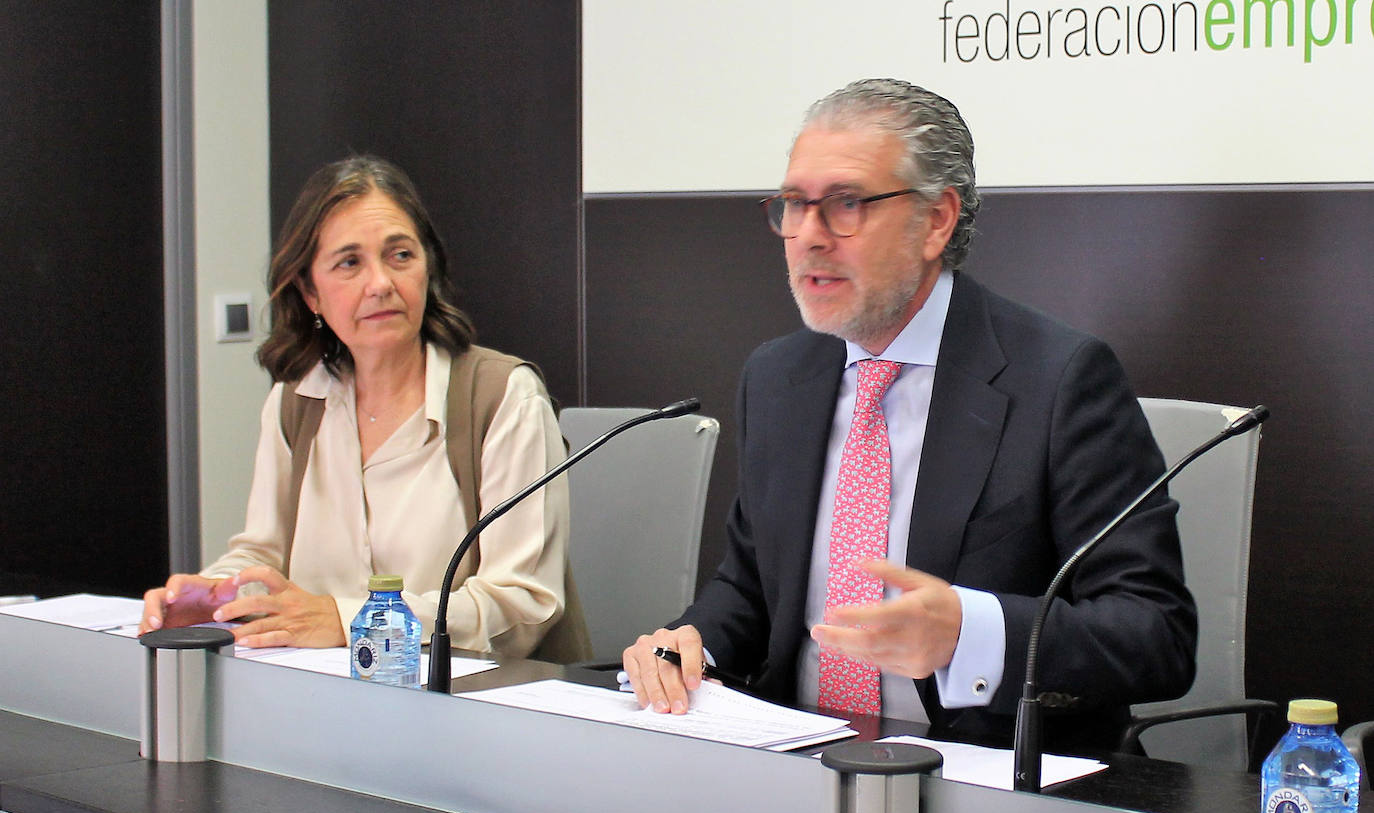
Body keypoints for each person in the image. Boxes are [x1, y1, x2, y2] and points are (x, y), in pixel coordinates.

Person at [622, 79, 1196, 753]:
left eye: (845, 204)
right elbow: (751, 586)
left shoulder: (1059, 380)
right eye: (793, 205)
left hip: (980, 779)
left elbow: (1155, 633)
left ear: (936, 220)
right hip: (795, 767)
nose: (807, 236)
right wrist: (693, 645)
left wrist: (969, 633)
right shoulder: (778, 377)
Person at [141, 155, 586, 660]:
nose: (380, 283)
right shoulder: (296, 402)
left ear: (427, 268)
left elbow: (523, 605)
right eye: (349, 263)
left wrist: (351, 620)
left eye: (400, 255)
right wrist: (211, 599)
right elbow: (263, 555)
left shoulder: (502, 397)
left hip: (476, 701)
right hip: (325, 695)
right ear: (310, 292)